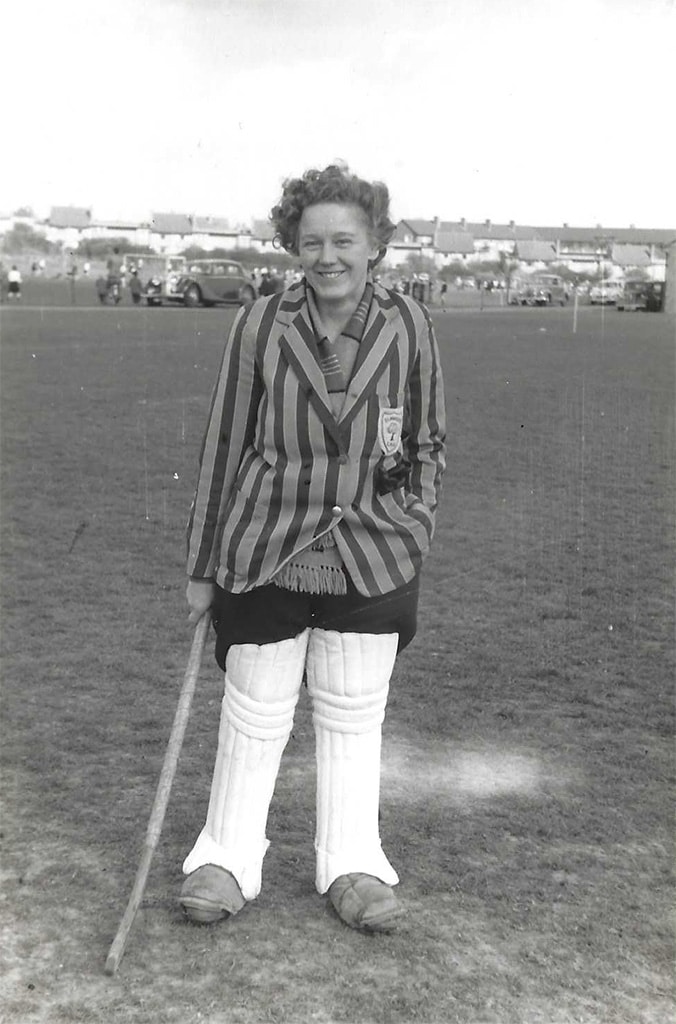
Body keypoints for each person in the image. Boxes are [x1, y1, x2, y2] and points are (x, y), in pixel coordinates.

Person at [180, 163, 446, 934]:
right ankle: (227, 856)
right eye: (312, 242)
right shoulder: (261, 321)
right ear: (293, 246)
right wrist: (204, 566)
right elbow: (224, 442)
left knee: (354, 714)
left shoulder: (412, 324)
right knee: (255, 710)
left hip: (375, 547)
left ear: (375, 247)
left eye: (344, 241)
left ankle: (352, 863)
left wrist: (414, 522)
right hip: (266, 542)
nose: (328, 256)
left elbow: (425, 438)